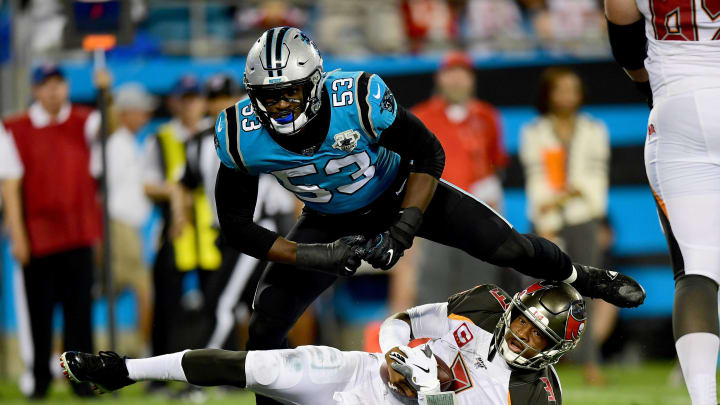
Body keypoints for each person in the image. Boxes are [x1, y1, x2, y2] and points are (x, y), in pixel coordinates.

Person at [212, 26, 643, 405]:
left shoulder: (356, 97)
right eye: (269, 97)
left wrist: (403, 230)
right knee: (265, 323)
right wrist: (315, 255)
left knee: (508, 246)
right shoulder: (239, 133)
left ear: (317, 83)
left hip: (399, 191)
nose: (281, 106)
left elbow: (428, 153)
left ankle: (588, 279)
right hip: (329, 217)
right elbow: (235, 226)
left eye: (290, 92)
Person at [61, 280, 585, 404]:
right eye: (522, 320)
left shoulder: (537, 394)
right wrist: (397, 355)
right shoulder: (486, 304)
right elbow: (402, 321)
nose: (520, 334)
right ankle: (123, 370)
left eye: (536, 335)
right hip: (367, 374)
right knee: (262, 368)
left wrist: (434, 395)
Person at [605, 1, 720, 404]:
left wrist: (652, 87)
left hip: (677, 102)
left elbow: (624, 41)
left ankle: (704, 400)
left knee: (696, 272)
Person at [170, 74, 296, 351]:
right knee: (261, 306)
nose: (221, 105)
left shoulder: (256, 133)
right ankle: (286, 366)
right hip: (228, 235)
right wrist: (179, 214)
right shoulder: (199, 141)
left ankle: (204, 378)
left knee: (220, 302)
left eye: (226, 97)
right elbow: (184, 183)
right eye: (214, 99)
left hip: (256, 232)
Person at [0, 64, 103, 398]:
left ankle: (81, 380)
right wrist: (18, 236)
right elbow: (10, 186)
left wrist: (107, 95)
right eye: (46, 85)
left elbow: (111, 128)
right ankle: (40, 381)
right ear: (34, 90)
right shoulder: (13, 128)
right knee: (39, 316)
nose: (54, 91)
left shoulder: (86, 121)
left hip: (78, 233)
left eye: (59, 84)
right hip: (38, 238)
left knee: (80, 315)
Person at [519, 67, 610, 384]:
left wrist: (568, 198)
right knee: (539, 293)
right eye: (561, 89)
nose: (567, 96)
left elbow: (596, 178)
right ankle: (533, 363)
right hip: (546, 221)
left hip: (584, 218)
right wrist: (548, 216)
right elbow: (536, 178)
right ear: (549, 94)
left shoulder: (594, 129)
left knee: (588, 291)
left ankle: (590, 362)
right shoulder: (534, 131)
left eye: (573, 89)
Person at [411, 50, 510, 305]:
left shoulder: (487, 116)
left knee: (479, 291)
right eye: (450, 74)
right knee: (433, 291)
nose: (456, 81)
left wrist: (491, 191)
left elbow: (496, 163)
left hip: (478, 216)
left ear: (472, 80)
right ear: (439, 78)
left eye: (463, 74)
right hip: (435, 216)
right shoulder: (419, 116)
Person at [142, 74, 213, 391]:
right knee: (166, 307)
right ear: (175, 102)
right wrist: (174, 192)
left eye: (195, 98)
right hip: (175, 232)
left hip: (212, 231)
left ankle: (213, 373)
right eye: (184, 99)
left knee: (217, 305)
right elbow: (148, 184)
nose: (190, 106)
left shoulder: (216, 132)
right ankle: (159, 374)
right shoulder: (161, 137)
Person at [92, 83, 156, 357]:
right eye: (141, 111)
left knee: (107, 290)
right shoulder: (114, 145)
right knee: (143, 287)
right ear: (126, 113)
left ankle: (84, 346)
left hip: (125, 226)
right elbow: (99, 191)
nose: (146, 117)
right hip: (118, 226)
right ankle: (143, 351)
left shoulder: (127, 142)